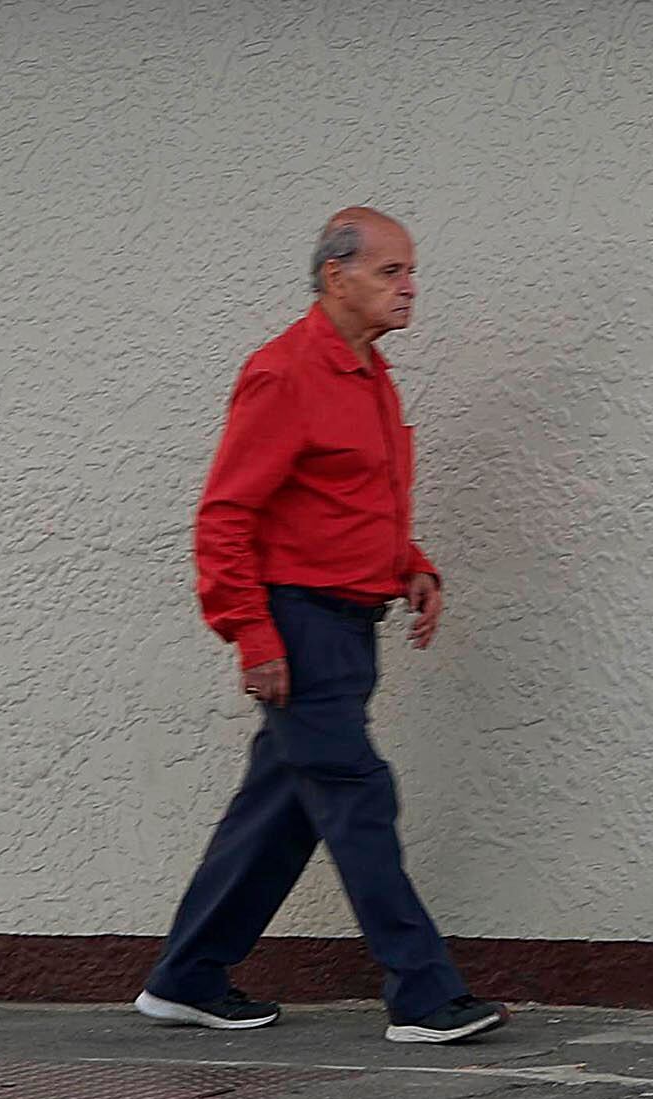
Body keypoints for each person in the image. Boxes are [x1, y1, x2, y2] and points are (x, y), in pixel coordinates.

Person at [134, 208, 505, 1047]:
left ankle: (186, 976)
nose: (409, 288)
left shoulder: (369, 374)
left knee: (282, 810)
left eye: (412, 273)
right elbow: (226, 517)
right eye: (390, 272)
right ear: (336, 276)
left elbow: (352, 503)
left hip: (348, 622)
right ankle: (421, 992)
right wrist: (251, 635)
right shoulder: (284, 373)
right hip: (298, 629)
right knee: (358, 795)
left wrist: (411, 563)